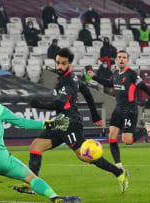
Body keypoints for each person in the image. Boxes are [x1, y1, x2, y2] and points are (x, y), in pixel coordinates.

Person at [13, 48, 129, 194]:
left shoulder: (68, 81)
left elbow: (59, 104)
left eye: (63, 63)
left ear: (70, 63)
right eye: (57, 63)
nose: (59, 66)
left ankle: (119, 173)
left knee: (83, 155)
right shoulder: (69, 77)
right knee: (35, 147)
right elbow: (85, 91)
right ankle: (33, 185)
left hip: (70, 123)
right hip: (60, 121)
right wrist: (94, 115)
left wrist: (37, 103)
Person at [87, 50, 150, 169]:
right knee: (112, 135)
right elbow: (108, 84)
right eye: (119, 57)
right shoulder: (115, 73)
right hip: (118, 109)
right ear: (116, 60)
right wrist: (94, 77)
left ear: (127, 60)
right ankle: (118, 166)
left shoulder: (132, 74)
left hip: (130, 110)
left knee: (127, 140)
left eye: (124, 57)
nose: (121, 59)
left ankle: (146, 129)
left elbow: (145, 89)